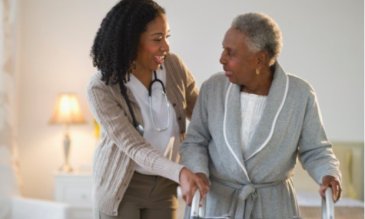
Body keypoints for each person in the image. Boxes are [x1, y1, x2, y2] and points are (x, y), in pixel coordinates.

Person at [180, 12, 342, 219]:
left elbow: (316, 150)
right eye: (223, 50)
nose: (221, 59)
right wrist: (198, 172)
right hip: (218, 202)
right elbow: (195, 141)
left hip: (273, 206)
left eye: (231, 53)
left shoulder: (300, 95)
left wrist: (328, 175)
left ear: (260, 59)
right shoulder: (213, 89)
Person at [87, 0, 209, 218]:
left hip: (164, 185)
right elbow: (134, 147)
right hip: (122, 187)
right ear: (131, 41)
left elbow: (203, 117)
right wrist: (180, 172)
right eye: (157, 39)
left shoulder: (173, 66)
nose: (166, 47)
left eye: (167, 37)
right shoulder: (101, 88)